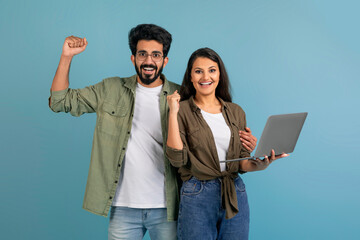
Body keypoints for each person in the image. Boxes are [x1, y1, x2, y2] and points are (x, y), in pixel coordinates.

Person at [49, 25, 257, 239]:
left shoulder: (182, 97)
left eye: (156, 55)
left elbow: (214, 128)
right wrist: (66, 56)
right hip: (122, 207)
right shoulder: (110, 90)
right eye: (142, 54)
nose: (149, 61)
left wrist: (242, 142)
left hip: (169, 207)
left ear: (164, 61)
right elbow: (60, 101)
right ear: (133, 58)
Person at [166, 47, 289, 240]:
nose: (205, 76)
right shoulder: (181, 110)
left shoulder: (235, 111)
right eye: (198, 71)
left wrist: (262, 164)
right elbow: (176, 159)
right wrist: (172, 112)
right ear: (190, 76)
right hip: (197, 194)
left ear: (220, 75)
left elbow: (241, 163)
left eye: (212, 70)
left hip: (234, 191)